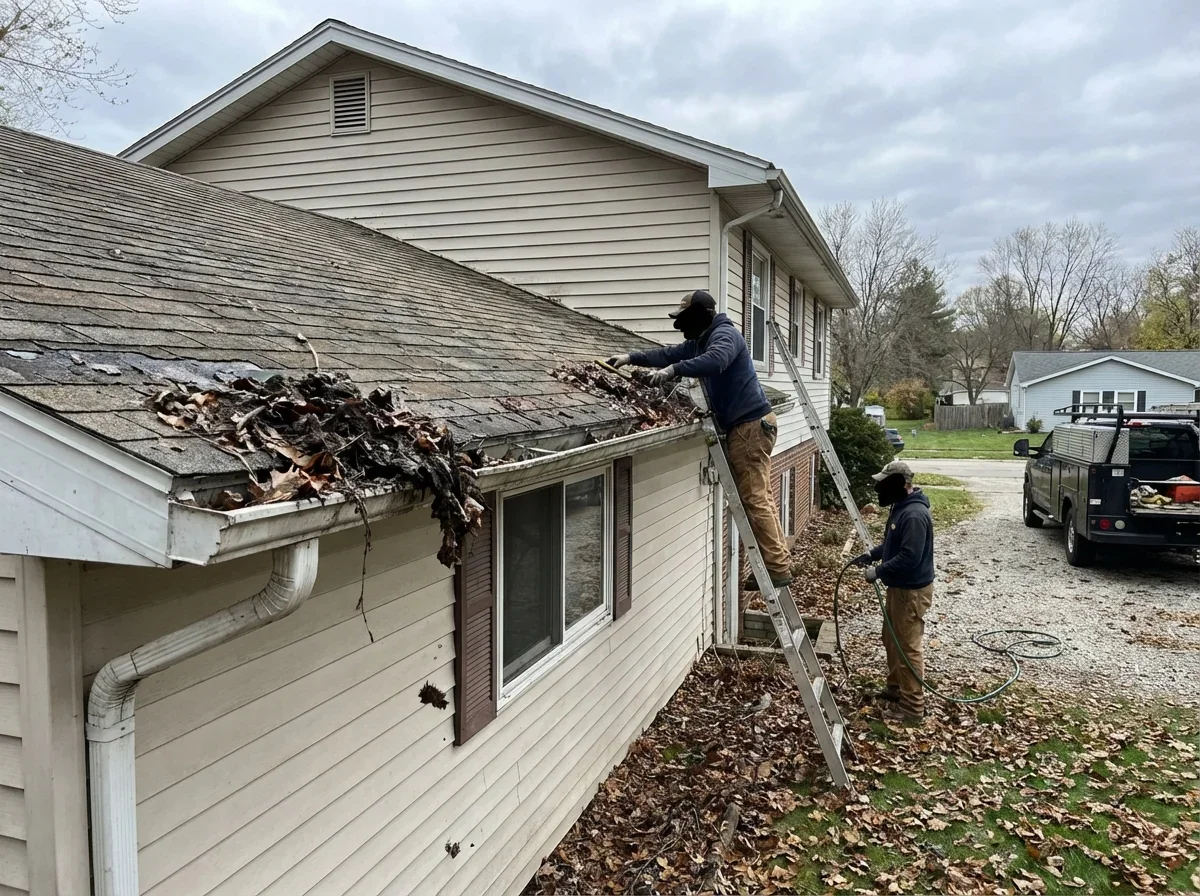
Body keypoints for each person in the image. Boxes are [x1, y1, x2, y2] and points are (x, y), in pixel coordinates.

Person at [606, 289, 792, 589]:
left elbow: (716, 361)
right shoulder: (703, 340)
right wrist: (631, 358)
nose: (683, 329)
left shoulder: (724, 335)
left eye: (686, 320)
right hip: (751, 425)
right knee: (761, 497)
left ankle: (778, 569)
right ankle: (778, 562)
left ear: (703, 314)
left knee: (755, 499)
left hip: (749, 427)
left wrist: (674, 371)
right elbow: (668, 353)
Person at [852, 460, 934, 724]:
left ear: (904, 484)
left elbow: (910, 556)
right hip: (899, 588)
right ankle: (896, 688)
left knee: (908, 647)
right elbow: (893, 545)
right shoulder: (901, 508)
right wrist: (871, 555)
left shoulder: (914, 516)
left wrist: (879, 571)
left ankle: (913, 708)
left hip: (910, 592)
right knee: (891, 638)